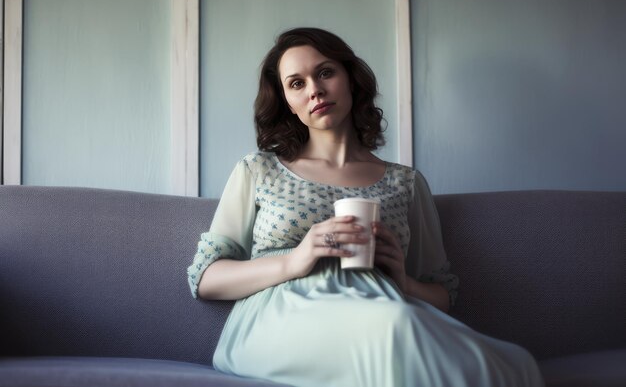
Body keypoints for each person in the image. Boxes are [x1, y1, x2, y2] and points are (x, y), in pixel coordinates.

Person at [187, 27, 544, 387]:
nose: (315, 90)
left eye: (325, 72)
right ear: (287, 102)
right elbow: (205, 278)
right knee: (395, 328)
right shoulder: (257, 170)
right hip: (279, 319)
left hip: (386, 306)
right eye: (297, 84)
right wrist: (295, 259)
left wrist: (403, 280)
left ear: (350, 80)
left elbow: (441, 291)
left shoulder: (406, 183)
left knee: (516, 362)